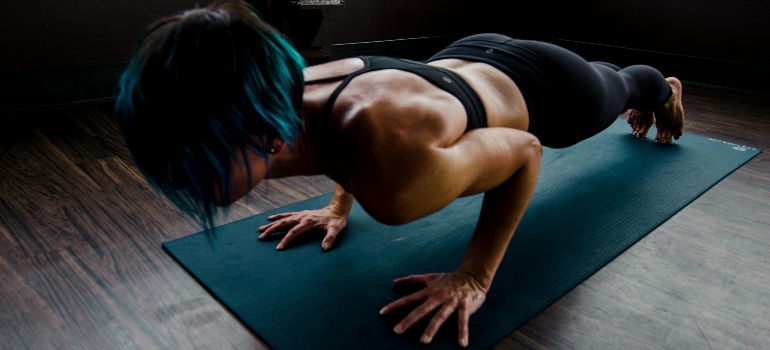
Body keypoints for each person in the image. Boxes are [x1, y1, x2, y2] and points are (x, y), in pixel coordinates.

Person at [115, 0, 684, 347]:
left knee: (627, 85)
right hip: (466, 56)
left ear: (267, 139)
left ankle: (667, 88)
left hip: (553, 92)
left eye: (196, 164)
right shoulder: (294, 97)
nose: (180, 181)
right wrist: (338, 205)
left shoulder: (392, 182)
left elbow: (525, 152)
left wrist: (474, 276)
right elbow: (345, 136)